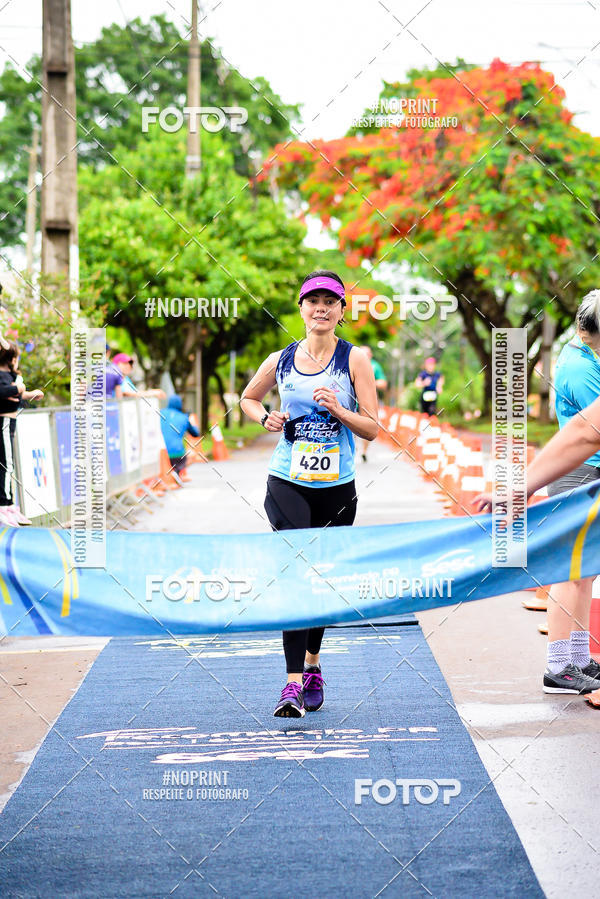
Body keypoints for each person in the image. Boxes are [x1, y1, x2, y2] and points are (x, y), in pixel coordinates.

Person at [240, 269, 378, 718]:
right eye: (312, 300)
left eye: (330, 301)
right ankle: (291, 684)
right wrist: (265, 419)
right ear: (300, 308)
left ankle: (314, 663)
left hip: (336, 488)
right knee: (295, 573)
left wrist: (340, 409)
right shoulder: (281, 359)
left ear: (342, 311)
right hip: (287, 481)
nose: (321, 307)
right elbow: (248, 398)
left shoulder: (354, 359)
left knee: (322, 580)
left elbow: (373, 429)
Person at [474, 290, 600, 696]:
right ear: (586, 331)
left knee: (585, 572)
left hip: (585, 470)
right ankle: (558, 664)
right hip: (580, 473)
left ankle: (579, 658)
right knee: (569, 570)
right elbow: (586, 431)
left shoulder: (583, 357)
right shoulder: (579, 369)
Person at [0, 338, 44, 527]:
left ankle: (9, 504)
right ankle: (4, 504)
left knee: (8, 464)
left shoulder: (10, 374)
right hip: (3, 420)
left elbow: (16, 393)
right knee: (6, 463)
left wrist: (30, 393)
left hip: (11, 421)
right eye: (16, 357)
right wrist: (18, 388)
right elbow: (4, 392)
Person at [160, 394, 200, 480]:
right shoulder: (184, 417)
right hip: (177, 455)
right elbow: (196, 434)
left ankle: (169, 476)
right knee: (191, 454)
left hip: (160, 453)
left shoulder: (160, 413)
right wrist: (191, 421)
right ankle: (177, 473)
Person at [360, 346, 387, 462]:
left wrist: (370, 382)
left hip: (368, 399)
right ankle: (353, 446)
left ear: (371, 355)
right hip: (352, 398)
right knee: (350, 423)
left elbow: (383, 383)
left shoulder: (375, 366)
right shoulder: (351, 362)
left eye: (367, 353)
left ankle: (364, 451)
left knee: (366, 425)